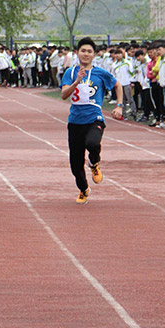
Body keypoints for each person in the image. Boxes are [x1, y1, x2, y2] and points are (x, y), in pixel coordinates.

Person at [60, 37, 123, 204]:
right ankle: (84, 189)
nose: (86, 54)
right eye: (83, 51)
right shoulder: (70, 73)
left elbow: (117, 85)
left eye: (89, 51)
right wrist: (76, 81)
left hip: (94, 118)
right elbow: (64, 95)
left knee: (93, 143)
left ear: (94, 55)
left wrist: (119, 105)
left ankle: (94, 163)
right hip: (75, 121)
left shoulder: (100, 73)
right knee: (75, 164)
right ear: (77, 53)